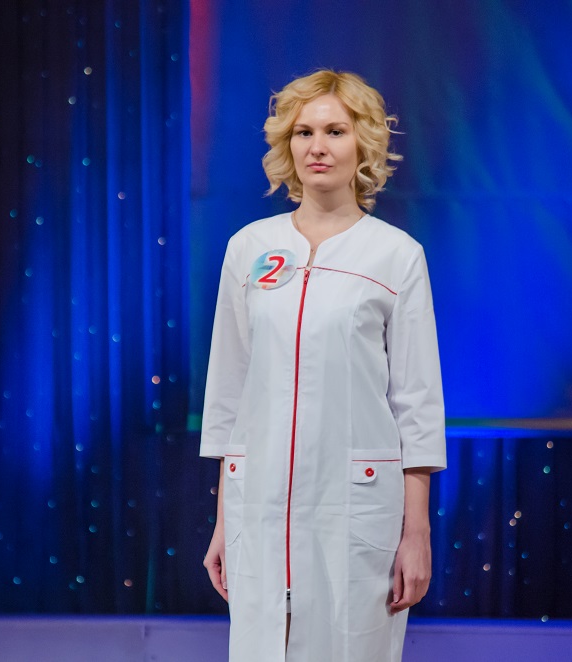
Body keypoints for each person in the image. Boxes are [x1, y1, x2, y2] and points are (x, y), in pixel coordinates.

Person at [201, 69, 446, 662]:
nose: (318, 146)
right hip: (259, 504)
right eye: (303, 132)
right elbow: (231, 392)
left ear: (364, 143)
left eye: (335, 131)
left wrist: (416, 533)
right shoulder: (248, 248)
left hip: (356, 503)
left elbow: (416, 402)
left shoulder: (395, 255)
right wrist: (225, 520)